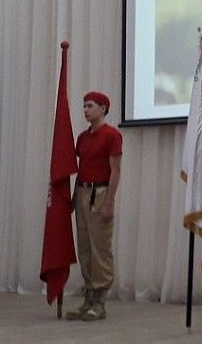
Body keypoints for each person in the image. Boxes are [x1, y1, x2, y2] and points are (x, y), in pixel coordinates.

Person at [66, 91, 123, 321]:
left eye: (90, 106)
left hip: (99, 194)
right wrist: (72, 198)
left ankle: (99, 301)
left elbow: (115, 170)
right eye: (84, 106)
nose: (86, 110)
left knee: (100, 248)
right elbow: (80, 170)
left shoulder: (112, 135)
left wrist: (109, 201)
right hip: (82, 191)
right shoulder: (82, 137)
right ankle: (88, 297)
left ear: (103, 108)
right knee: (85, 248)